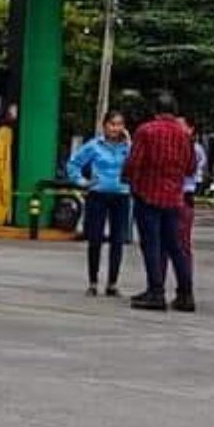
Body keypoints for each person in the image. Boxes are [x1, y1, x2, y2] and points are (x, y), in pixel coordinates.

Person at [123, 94, 198, 312]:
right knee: (177, 247)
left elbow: (134, 163)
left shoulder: (146, 131)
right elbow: (191, 167)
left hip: (148, 194)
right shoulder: (184, 135)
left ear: (155, 110)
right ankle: (186, 294)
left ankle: (156, 292)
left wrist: (130, 179)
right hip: (175, 198)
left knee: (152, 246)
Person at [66, 111, 130, 296]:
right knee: (95, 239)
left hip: (121, 194)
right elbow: (73, 164)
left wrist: (130, 142)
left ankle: (112, 283)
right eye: (112, 124)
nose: (115, 128)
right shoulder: (94, 146)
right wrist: (82, 181)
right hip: (98, 194)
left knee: (118, 240)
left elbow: (138, 162)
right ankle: (93, 282)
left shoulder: (127, 147)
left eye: (119, 124)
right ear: (105, 126)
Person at [180, 133, 207, 266]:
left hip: (188, 188)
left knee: (184, 236)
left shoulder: (195, 148)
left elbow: (200, 162)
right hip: (178, 189)